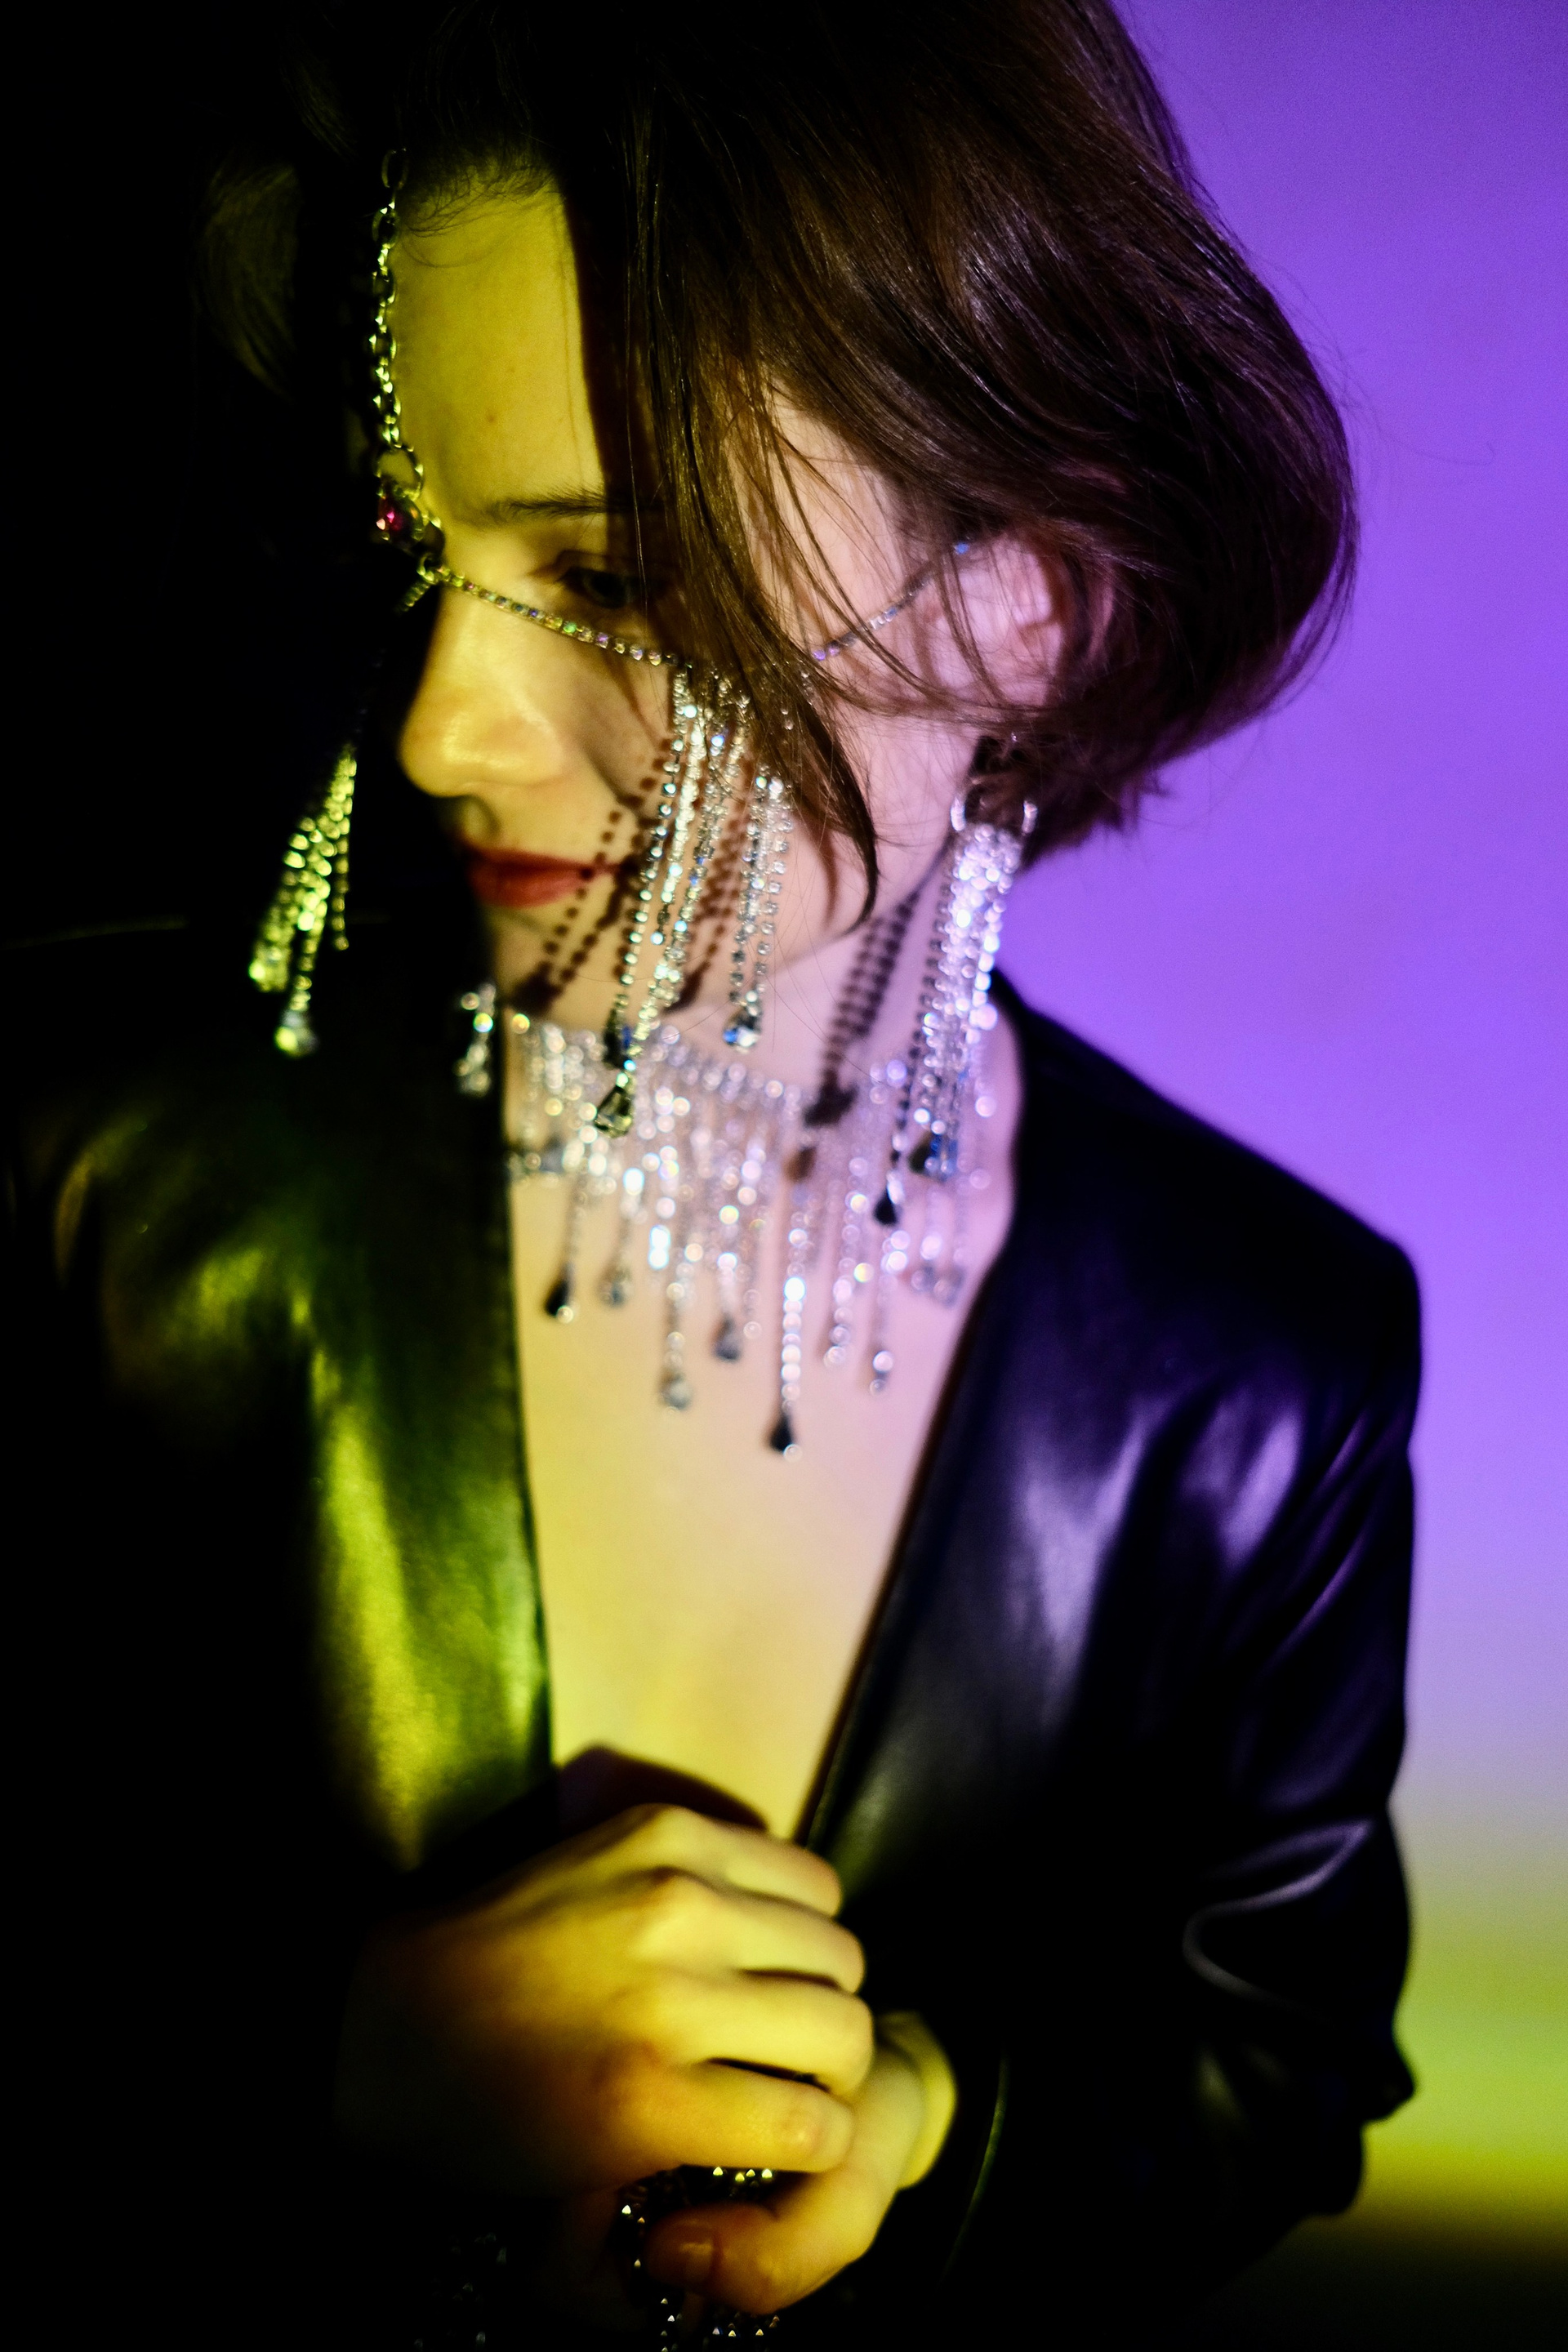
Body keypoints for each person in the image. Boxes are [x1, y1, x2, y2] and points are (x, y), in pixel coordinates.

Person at [4, 4, 1419, 2346]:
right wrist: (324, 2075)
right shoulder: (100, 1168)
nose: (443, 723)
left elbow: (1272, 2067)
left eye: (623, 577)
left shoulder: (1263, 1368)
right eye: (418, 549)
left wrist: (931, 2131)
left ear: (1033, 600)